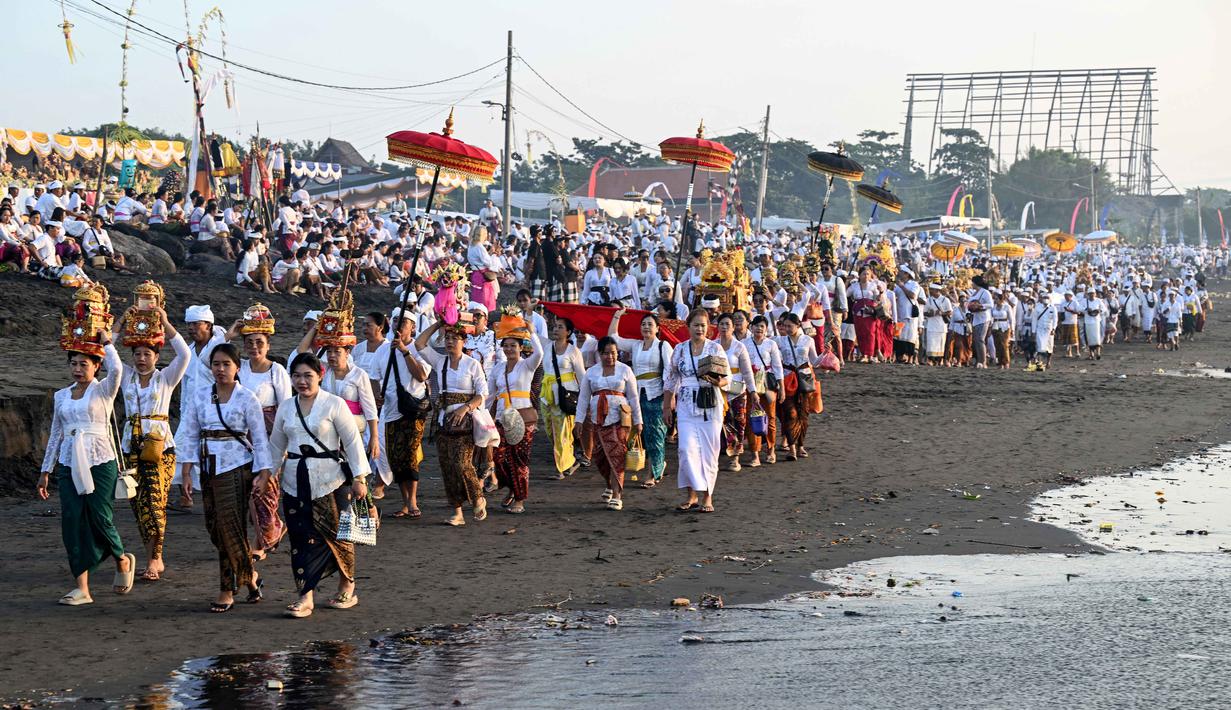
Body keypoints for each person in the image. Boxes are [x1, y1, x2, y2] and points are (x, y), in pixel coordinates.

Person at [267, 353, 372, 618]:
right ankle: (305, 595)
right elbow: (276, 445)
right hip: (294, 480)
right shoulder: (286, 407)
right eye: (297, 376)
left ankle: (347, 584)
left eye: (308, 375)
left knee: (337, 534)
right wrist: (267, 473)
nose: (302, 381)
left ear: (320, 375)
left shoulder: (334, 404)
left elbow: (351, 442)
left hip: (331, 480)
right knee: (300, 538)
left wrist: (360, 479)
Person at [38, 326, 136, 605]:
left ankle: (120, 558)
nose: (78, 369)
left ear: (97, 366)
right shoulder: (61, 396)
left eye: (84, 364)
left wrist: (107, 341)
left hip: (100, 460)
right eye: (74, 363)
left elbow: (117, 369)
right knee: (71, 520)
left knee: (99, 516)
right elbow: (56, 433)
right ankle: (82, 587)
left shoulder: (104, 390)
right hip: (69, 462)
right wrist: (45, 471)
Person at [178, 343, 274, 612]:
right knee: (213, 526)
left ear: (237, 368)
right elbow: (189, 431)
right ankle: (250, 577)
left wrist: (264, 472)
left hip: (237, 466)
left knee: (229, 526)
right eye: (216, 364)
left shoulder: (247, 398)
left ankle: (226, 589)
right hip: (208, 466)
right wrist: (186, 470)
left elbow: (259, 438)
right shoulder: (200, 396)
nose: (220, 369)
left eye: (226, 364)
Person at [113, 304, 190, 581]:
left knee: (156, 501)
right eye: (137, 353)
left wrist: (165, 322)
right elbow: (106, 352)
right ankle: (152, 556)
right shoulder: (125, 377)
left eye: (147, 353)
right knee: (139, 505)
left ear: (157, 356)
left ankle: (155, 559)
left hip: (161, 449)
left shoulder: (166, 378)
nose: (142, 358)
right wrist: (121, 321)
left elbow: (185, 354)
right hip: (130, 447)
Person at [225, 307, 292, 561]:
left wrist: (283, 442)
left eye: (259, 343)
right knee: (248, 487)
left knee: (266, 487)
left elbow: (285, 406)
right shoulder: (238, 367)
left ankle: (262, 540)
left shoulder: (277, 370)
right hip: (243, 434)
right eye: (249, 342)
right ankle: (268, 532)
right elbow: (208, 364)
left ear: (268, 344)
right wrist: (228, 336)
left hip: (269, 434)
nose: (254, 347)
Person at [416, 319, 489, 527]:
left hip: (465, 420)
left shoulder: (472, 364)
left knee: (462, 463)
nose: (449, 342)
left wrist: (466, 407)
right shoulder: (440, 362)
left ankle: (477, 496)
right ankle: (457, 512)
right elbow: (420, 344)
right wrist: (439, 323)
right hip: (443, 419)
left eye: (455, 338)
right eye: (447, 338)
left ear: (464, 341)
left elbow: (483, 393)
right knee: (447, 466)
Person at [663, 308, 728, 513]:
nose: (700, 328)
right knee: (685, 450)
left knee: (709, 451)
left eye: (703, 325)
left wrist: (718, 381)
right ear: (688, 326)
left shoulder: (715, 349)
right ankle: (691, 494)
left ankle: (707, 496)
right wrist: (667, 405)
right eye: (696, 325)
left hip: (710, 402)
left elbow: (728, 378)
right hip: (685, 403)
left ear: (708, 327)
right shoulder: (680, 350)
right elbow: (671, 378)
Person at [374, 310, 431, 518]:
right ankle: (405, 502)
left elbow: (421, 375)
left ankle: (413, 501)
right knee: (396, 458)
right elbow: (374, 377)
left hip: (413, 410)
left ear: (412, 327)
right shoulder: (383, 350)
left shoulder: (419, 349)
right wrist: (375, 396)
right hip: (390, 410)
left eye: (404, 321)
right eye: (396, 320)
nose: (399, 324)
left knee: (410, 455)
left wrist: (405, 351)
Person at [576, 336, 642, 510]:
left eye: (613, 353)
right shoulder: (591, 372)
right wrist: (579, 420)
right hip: (598, 419)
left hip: (620, 419)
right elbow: (583, 398)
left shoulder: (625, 370)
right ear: (599, 354)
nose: (610, 357)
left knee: (617, 455)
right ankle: (609, 484)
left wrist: (638, 420)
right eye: (606, 353)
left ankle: (617, 494)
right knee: (600, 457)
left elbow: (634, 397)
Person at [609, 309, 674, 486]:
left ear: (657, 328)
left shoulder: (663, 346)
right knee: (639, 433)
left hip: (657, 394)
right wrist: (617, 315)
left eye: (650, 324)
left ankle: (652, 472)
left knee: (655, 434)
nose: (646, 327)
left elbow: (670, 372)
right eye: (643, 324)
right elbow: (614, 339)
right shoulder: (636, 345)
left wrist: (671, 397)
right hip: (636, 394)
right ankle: (653, 465)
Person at [487, 318, 544, 514]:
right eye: (507, 346)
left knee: (519, 460)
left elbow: (540, 353)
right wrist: (485, 419)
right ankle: (512, 487)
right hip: (502, 419)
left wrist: (532, 331)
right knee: (499, 457)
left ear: (521, 348)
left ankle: (519, 499)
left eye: (514, 346)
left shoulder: (526, 366)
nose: (510, 349)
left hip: (523, 419)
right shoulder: (497, 370)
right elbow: (489, 396)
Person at [540, 317, 586, 479]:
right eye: (555, 326)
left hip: (565, 395)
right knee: (549, 430)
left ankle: (561, 467)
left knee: (562, 432)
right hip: (547, 395)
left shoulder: (574, 351)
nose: (556, 329)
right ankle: (570, 459)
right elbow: (532, 334)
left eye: (560, 327)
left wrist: (585, 399)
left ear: (568, 332)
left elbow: (582, 376)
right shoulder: (547, 347)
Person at [776, 312, 820, 461]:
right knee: (790, 413)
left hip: (804, 377)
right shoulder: (780, 341)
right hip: (788, 378)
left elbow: (814, 361)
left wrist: (826, 353)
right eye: (785, 326)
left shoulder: (808, 340)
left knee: (803, 413)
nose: (787, 328)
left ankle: (801, 445)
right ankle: (792, 447)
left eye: (790, 326)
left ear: (798, 325)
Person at [715, 313, 756, 471]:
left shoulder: (739, 347)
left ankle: (736, 458)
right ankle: (720, 454)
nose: (724, 327)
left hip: (737, 389)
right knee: (720, 423)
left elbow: (747, 371)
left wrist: (752, 390)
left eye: (727, 324)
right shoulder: (713, 345)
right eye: (722, 324)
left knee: (739, 421)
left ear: (733, 327)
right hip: (718, 389)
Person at [744, 314, 784, 466]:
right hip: (750, 383)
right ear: (751, 327)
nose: (759, 329)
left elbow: (777, 366)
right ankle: (755, 454)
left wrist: (782, 387)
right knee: (752, 418)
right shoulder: (744, 343)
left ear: (766, 329)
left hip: (767, 383)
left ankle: (771, 450)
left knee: (770, 418)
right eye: (756, 326)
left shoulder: (771, 344)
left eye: (762, 326)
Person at [922, 282, 952, 366]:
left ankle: (940, 360)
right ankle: (930, 360)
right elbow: (925, 312)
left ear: (937, 290)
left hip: (941, 326)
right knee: (931, 343)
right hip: (931, 325)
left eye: (932, 290)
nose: (930, 291)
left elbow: (950, 312)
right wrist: (931, 313)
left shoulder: (945, 300)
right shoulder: (929, 300)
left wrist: (941, 313)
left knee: (941, 344)